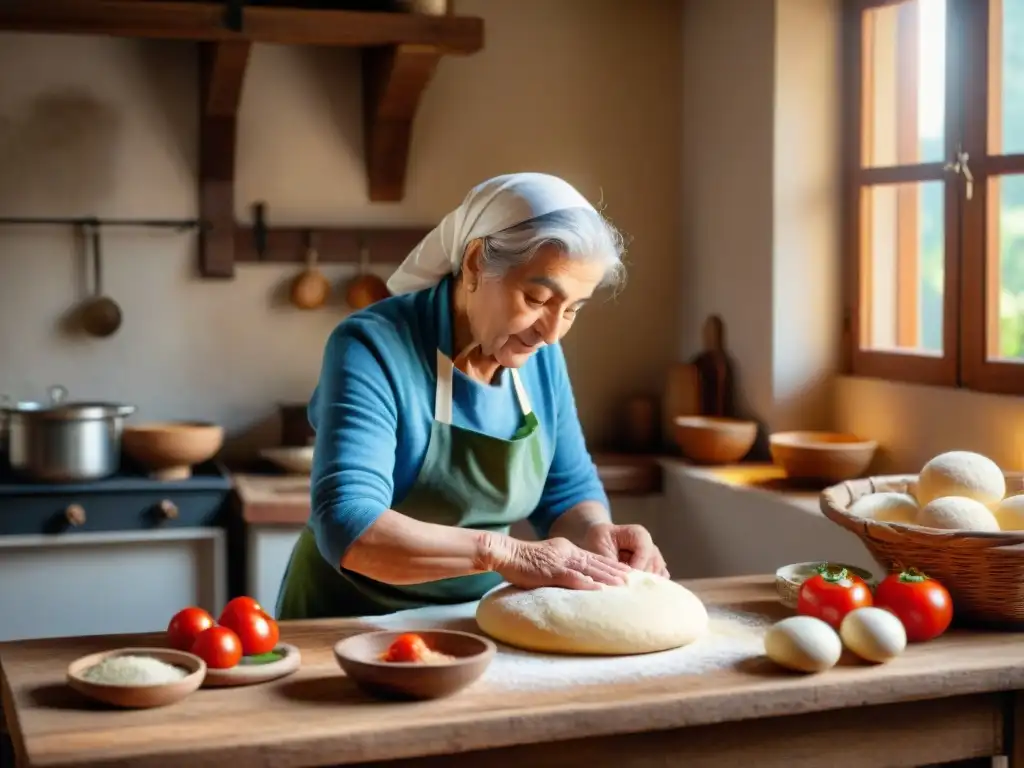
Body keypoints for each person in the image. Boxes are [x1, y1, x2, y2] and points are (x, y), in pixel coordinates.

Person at [275, 172, 669, 620]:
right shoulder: (372, 345)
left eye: (573, 310)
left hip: (471, 619)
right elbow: (347, 522)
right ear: (477, 263)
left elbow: (566, 491)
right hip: (346, 621)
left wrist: (597, 533)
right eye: (538, 298)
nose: (552, 332)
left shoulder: (539, 355)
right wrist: (503, 553)